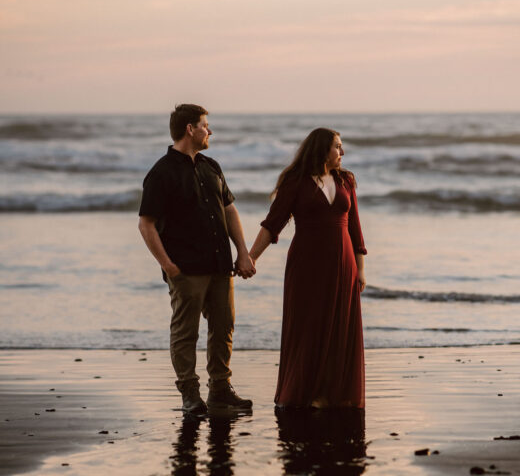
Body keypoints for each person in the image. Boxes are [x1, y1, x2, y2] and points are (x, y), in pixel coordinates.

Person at [138, 104, 255, 418]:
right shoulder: (161, 172)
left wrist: (242, 251)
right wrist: (168, 265)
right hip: (185, 268)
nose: (210, 131)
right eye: (205, 125)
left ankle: (220, 390)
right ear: (190, 129)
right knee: (185, 332)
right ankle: (190, 393)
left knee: (223, 327)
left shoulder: (211, 166)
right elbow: (146, 224)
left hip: (220, 264)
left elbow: (229, 209)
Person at [249, 128, 366, 408]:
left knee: (339, 327)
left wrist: (360, 269)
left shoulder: (346, 180)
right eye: (338, 146)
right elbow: (272, 223)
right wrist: (251, 257)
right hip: (307, 264)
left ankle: (331, 393)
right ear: (322, 148)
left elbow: (354, 227)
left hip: (344, 263)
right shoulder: (296, 181)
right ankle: (306, 392)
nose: (342, 152)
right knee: (308, 327)